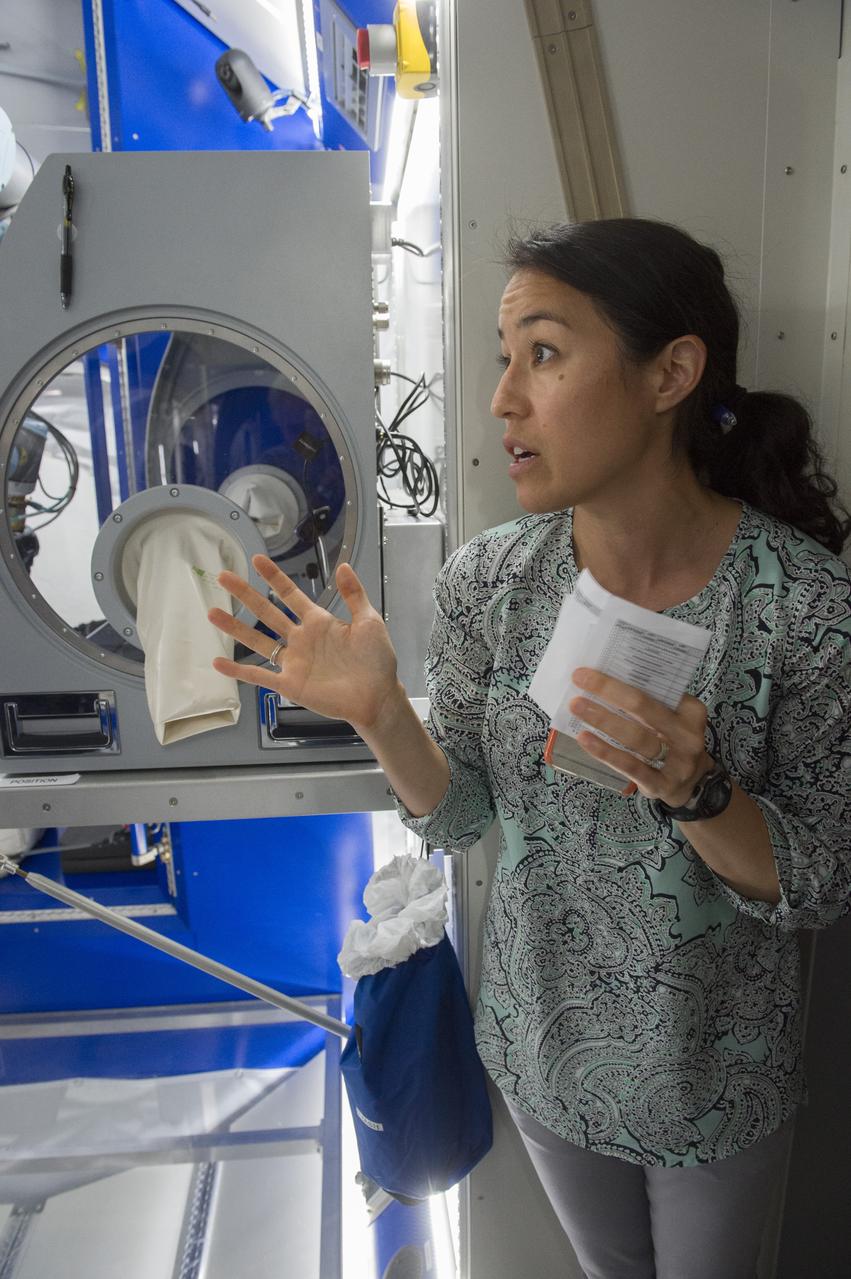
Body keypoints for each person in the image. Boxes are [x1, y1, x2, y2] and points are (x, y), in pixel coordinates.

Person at [207, 217, 851, 1279]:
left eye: (542, 354)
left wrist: (696, 791)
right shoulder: (488, 583)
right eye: (503, 358)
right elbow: (462, 818)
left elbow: (819, 880)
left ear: (670, 373)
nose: (501, 398)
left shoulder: (805, 610)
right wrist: (378, 710)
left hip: (714, 1076)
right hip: (539, 1050)